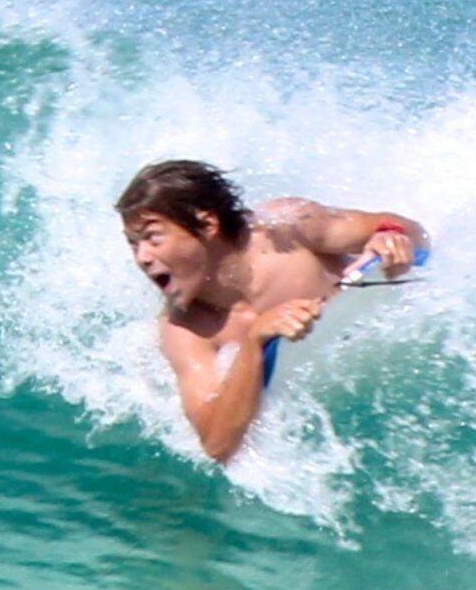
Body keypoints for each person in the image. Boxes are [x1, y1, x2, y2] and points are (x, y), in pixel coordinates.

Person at [116, 158, 424, 463]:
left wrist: (390, 239)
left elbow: (413, 232)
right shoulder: (184, 329)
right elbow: (218, 445)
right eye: (133, 244)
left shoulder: (287, 228)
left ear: (208, 225)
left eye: (153, 238)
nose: (142, 257)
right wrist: (254, 343)